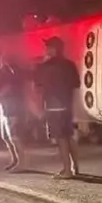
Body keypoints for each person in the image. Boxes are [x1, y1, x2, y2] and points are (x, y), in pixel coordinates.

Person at [33, 36, 81, 178]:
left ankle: (67, 170)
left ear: (53, 49)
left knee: (61, 138)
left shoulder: (46, 66)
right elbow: (76, 84)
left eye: (47, 47)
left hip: (54, 105)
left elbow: (38, 86)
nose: (45, 50)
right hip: (67, 104)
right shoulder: (69, 64)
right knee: (69, 135)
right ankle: (75, 167)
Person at [0, 51, 27, 170]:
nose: (3, 61)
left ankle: (22, 162)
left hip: (13, 106)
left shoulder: (15, 71)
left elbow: (12, 87)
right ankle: (15, 159)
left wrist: (2, 91)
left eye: (6, 58)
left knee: (14, 135)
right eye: (2, 58)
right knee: (5, 136)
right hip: (4, 105)